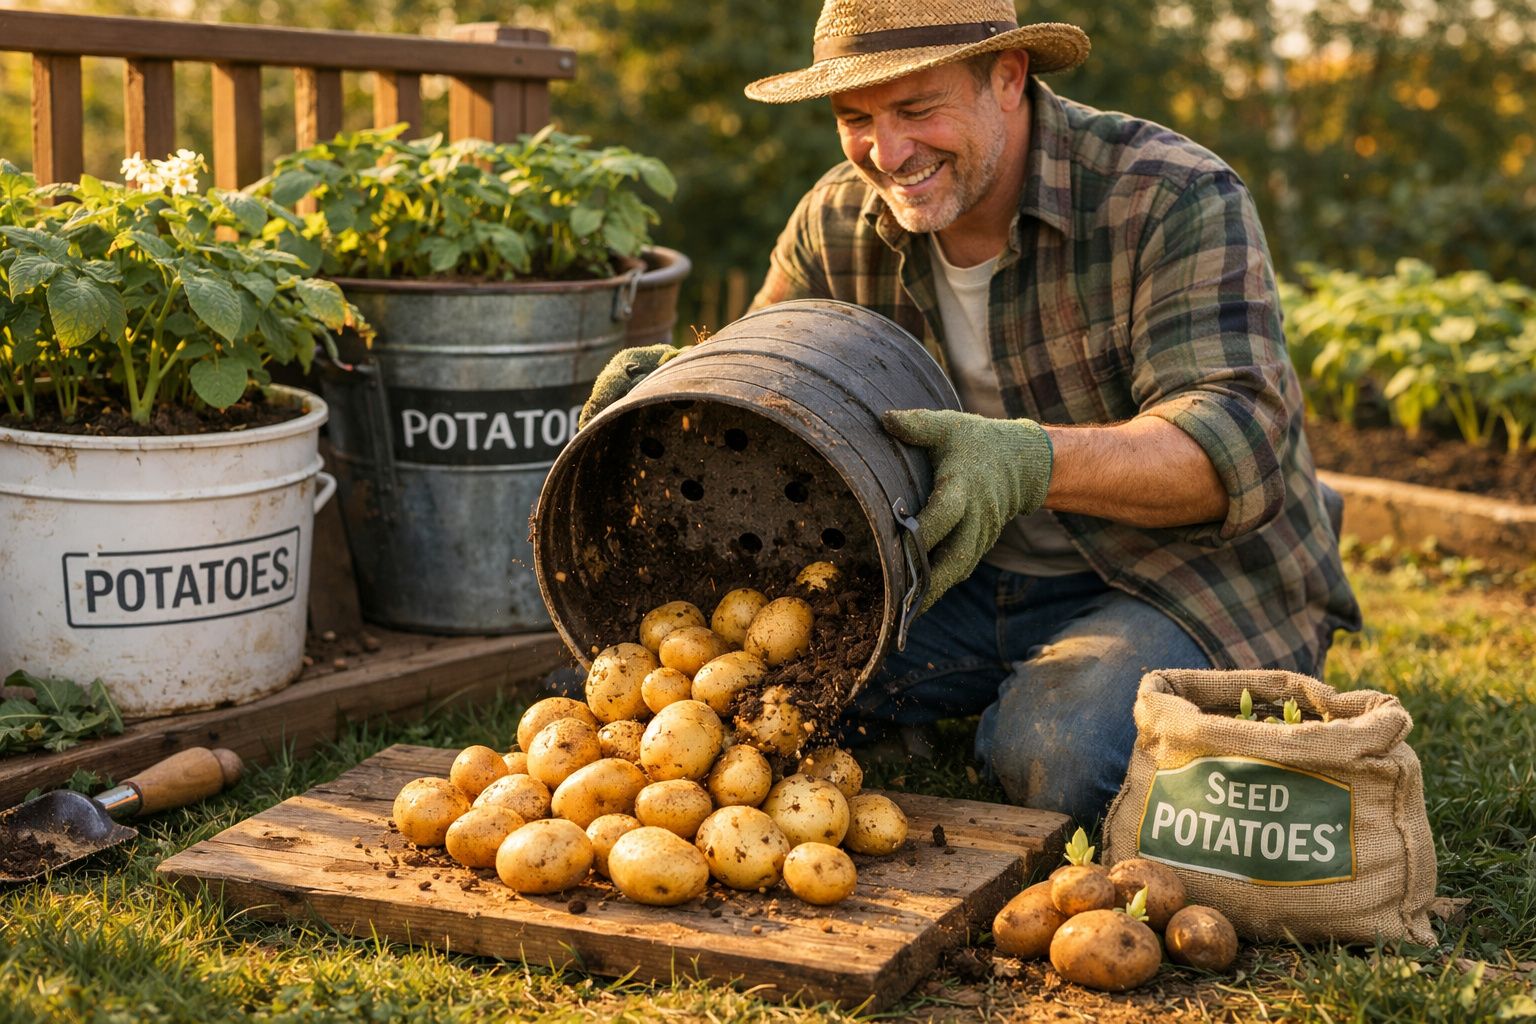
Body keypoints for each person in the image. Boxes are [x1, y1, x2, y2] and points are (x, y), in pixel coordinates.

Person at [581, 0, 1361, 824]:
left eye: (918, 109)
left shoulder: (1169, 194)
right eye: (856, 120)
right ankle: (979, 689)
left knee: (1064, 756)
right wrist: (681, 382)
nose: (888, 153)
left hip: (1173, 569)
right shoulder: (836, 220)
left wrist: (1029, 464)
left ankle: (1028, 700)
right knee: (737, 689)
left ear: (1008, 78)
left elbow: (1230, 444)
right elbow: (762, 379)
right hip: (949, 568)